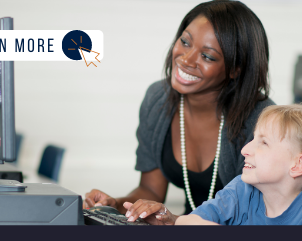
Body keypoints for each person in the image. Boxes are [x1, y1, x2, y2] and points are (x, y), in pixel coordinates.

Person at [84, 0, 274, 214]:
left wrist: (175, 222)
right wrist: (115, 205)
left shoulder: (261, 121)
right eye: (185, 41)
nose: (186, 59)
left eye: (207, 56)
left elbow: (252, 216)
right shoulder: (158, 99)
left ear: (235, 69)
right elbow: (150, 190)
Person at [124, 104, 302, 225]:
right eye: (253, 139)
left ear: (298, 164)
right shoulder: (241, 190)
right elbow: (192, 222)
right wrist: (168, 219)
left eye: (263, 142)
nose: (245, 149)